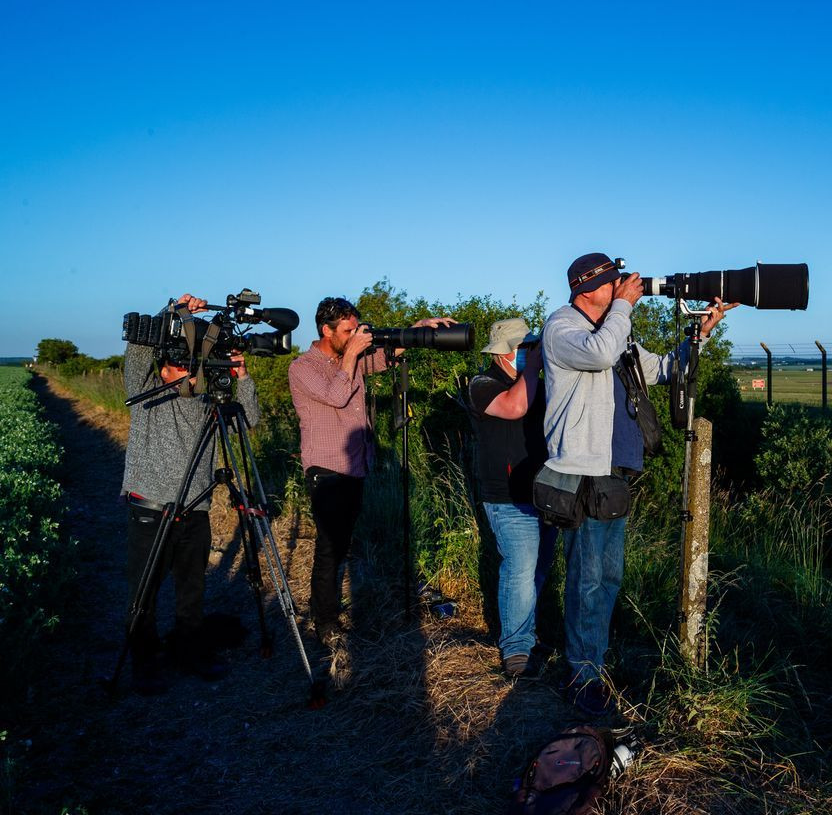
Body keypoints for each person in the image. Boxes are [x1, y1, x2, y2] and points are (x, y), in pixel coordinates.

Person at [541, 253, 735, 715]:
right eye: (614, 283)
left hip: (616, 471)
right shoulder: (562, 327)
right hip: (583, 471)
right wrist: (625, 307)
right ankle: (582, 675)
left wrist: (700, 333)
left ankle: (595, 663)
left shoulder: (615, 331)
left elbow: (664, 369)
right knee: (588, 579)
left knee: (608, 577)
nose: (623, 289)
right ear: (588, 288)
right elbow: (599, 353)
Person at [288, 297, 455, 645]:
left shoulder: (350, 358)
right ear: (326, 330)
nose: (354, 337)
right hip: (325, 469)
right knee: (329, 548)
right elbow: (336, 395)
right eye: (348, 331)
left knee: (342, 544)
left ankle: (330, 611)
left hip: (355, 466)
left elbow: (386, 357)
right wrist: (352, 355)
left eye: (356, 330)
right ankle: (324, 622)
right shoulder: (302, 367)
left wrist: (417, 330)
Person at [122, 292, 261, 695]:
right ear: (161, 366)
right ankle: (144, 661)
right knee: (143, 592)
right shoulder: (146, 391)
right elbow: (138, 349)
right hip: (150, 505)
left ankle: (189, 651)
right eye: (177, 363)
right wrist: (172, 312)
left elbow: (248, 420)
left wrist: (242, 376)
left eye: (189, 363)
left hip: (195, 507)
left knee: (192, 589)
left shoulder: (207, 401)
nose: (184, 370)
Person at [466, 318, 557, 678]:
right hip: (507, 498)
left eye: (533, 348)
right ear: (503, 352)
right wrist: (532, 368)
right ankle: (516, 649)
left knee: (537, 570)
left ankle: (527, 637)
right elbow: (514, 407)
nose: (531, 353)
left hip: (544, 493)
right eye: (525, 348)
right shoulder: (483, 384)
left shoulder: (537, 384)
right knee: (520, 570)